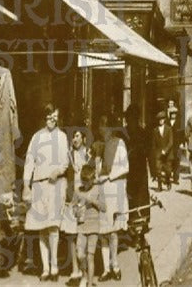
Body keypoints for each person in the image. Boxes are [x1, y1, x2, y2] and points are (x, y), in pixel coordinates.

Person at [23, 104, 70, 281]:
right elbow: (29, 161)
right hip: (39, 185)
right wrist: (26, 185)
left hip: (56, 185)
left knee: (53, 226)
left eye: (55, 117)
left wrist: (57, 172)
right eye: (49, 117)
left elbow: (65, 161)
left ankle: (55, 266)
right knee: (41, 227)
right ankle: (45, 268)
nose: (52, 120)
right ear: (45, 117)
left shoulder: (62, 137)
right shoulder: (36, 137)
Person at [95, 114, 128, 283]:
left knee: (113, 232)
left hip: (114, 190)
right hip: (102, 191)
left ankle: (115, 265)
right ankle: (106, 269)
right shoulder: (99, 146)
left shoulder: (119, 143)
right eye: (100, 126)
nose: (101, 130)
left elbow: (124, 167)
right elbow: (96, 170)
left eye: (103, 126)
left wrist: (109, 177)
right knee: (103, 233)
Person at [62, 126, 91, 285]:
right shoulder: (69, 155)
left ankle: (85, 272)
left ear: (84, 138)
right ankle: (75, 269)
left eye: (78, 136)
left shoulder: (88, 154)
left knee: (84, 236)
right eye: (73, 137)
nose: (75, 139)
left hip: (85, 199)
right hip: (72, 199)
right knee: (71, 236)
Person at [71, 161, 105, 287]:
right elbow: (73, 207)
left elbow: (104, 207)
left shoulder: (98, 189)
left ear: (92, 180)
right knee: (80, 254)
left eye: (87, 183)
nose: (84, 185)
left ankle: (90, 284)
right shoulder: (78, 191)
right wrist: (76, 211)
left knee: (90, 256)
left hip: (94, 227)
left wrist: (93, 201)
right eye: (83, 182)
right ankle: (84, 274)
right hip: (81, 226)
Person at [148, 110, 174, 191]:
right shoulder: (155, 130)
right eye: (159, 119)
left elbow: (171, 142)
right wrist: (154, 153)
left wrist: (165, 150)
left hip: (168, 153)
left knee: (168, 170)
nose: (161, 121)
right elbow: (153, 144)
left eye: (162, 119)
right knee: (158, 170)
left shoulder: (169, 129)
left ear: (164, 120)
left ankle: (168, 181)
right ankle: (159, 186)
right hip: (158, 153)